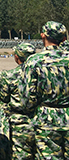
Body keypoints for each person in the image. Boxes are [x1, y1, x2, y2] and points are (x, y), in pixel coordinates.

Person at [19, 21, 69, 159]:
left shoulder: (34, 61)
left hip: (47, 118)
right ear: (63, 39)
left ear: (43, 36)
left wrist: (34, 111)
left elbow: (26, 98)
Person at [0, 43, 36, 160]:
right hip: (38, 119)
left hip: (18, 121)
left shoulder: (10, 76)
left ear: (17, 57)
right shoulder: (41, 73)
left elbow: (3, 98)